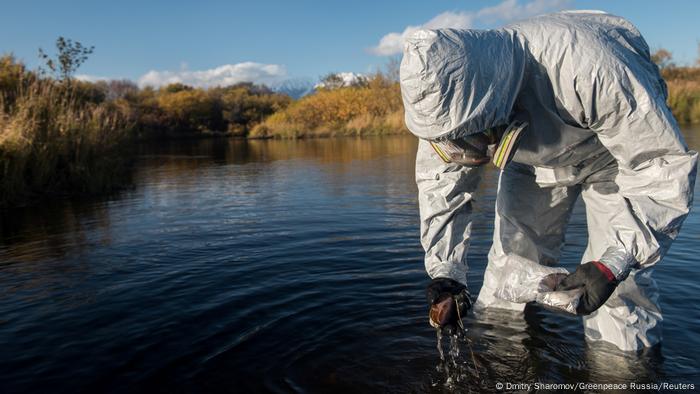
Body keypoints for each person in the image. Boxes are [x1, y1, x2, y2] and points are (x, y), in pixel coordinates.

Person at [400, 10, 697, 351]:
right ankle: (505, 365)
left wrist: (614, 262)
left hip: (614, 160)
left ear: (491, 99)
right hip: (530, 160)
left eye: (473, 136)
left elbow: (659, 165)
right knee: (508, 273)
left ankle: (623, 376)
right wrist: (447, 271)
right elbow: (442, 186)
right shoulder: (438, 108)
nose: (467, 150)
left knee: (617, 288)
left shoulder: (591, 66)